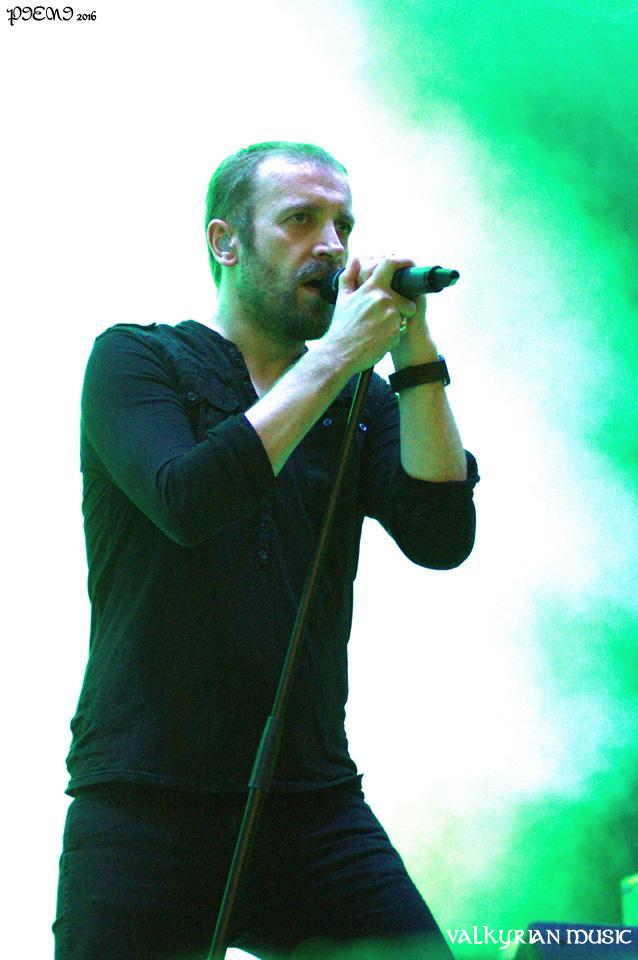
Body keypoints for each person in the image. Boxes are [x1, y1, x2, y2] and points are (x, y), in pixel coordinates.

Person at [53, 140, 479, 960]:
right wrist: (337, 356)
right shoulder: (138, 360)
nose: (332, 246)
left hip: (311, 800)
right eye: (301, 220)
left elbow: (442, 537)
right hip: (145, 800)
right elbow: (188, 500)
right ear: (226, 242)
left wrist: (413, 351)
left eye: (344, 225)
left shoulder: (357, 397)